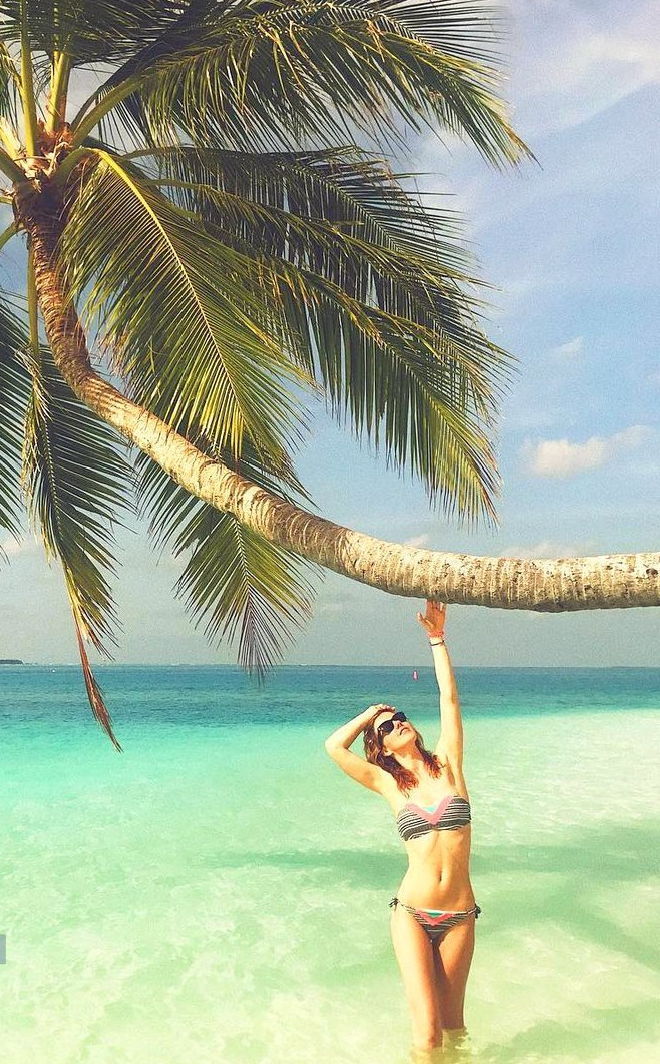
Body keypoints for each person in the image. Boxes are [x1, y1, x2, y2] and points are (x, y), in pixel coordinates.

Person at [324, 600, 479, 1062]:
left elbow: (449, 700)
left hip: (460, 915)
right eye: (388, 727)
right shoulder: (388, 783)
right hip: (412, 912)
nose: (399, 724)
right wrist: (370, 713)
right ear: (382, 746)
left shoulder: (449, 763)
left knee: (454, 1029)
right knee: (427, 1034)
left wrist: (437, 639)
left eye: (400, 717)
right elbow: (334, 746)